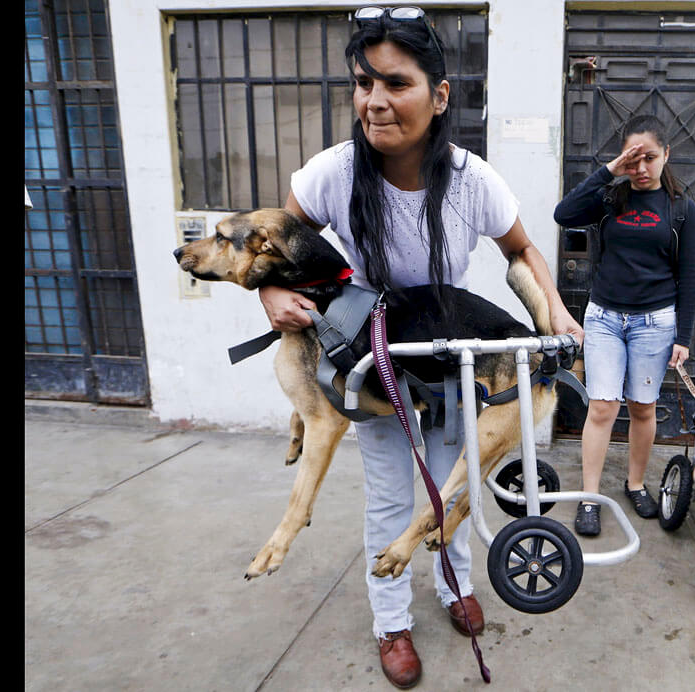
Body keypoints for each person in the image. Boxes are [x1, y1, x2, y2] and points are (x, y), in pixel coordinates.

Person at [257, 7, 583, 689]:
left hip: (450, 355)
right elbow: (273, 243)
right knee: (387, 497)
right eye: (363, 82)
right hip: (372, 362)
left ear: (438, 96)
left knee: (451, 486)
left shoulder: (470, 180)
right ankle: (391, 623)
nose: (374, 101)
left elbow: (521, 251)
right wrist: (268, 297)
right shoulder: (333, 173)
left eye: (396, 83)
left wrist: (554, 314)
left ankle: (450, 582)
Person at [552, 114, 695, 537]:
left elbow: (691, 276)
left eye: (649, 158)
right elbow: (564, 214)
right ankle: (589, 497)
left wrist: (684, 337)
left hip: (655, 322)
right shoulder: (610, 197)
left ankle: (635, 483)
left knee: (642, 407)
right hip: (604, 318)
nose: (641, 168)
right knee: (601, 407)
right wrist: (608, 171)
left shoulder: (681, 209)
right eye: (632, 160)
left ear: (666, 154)